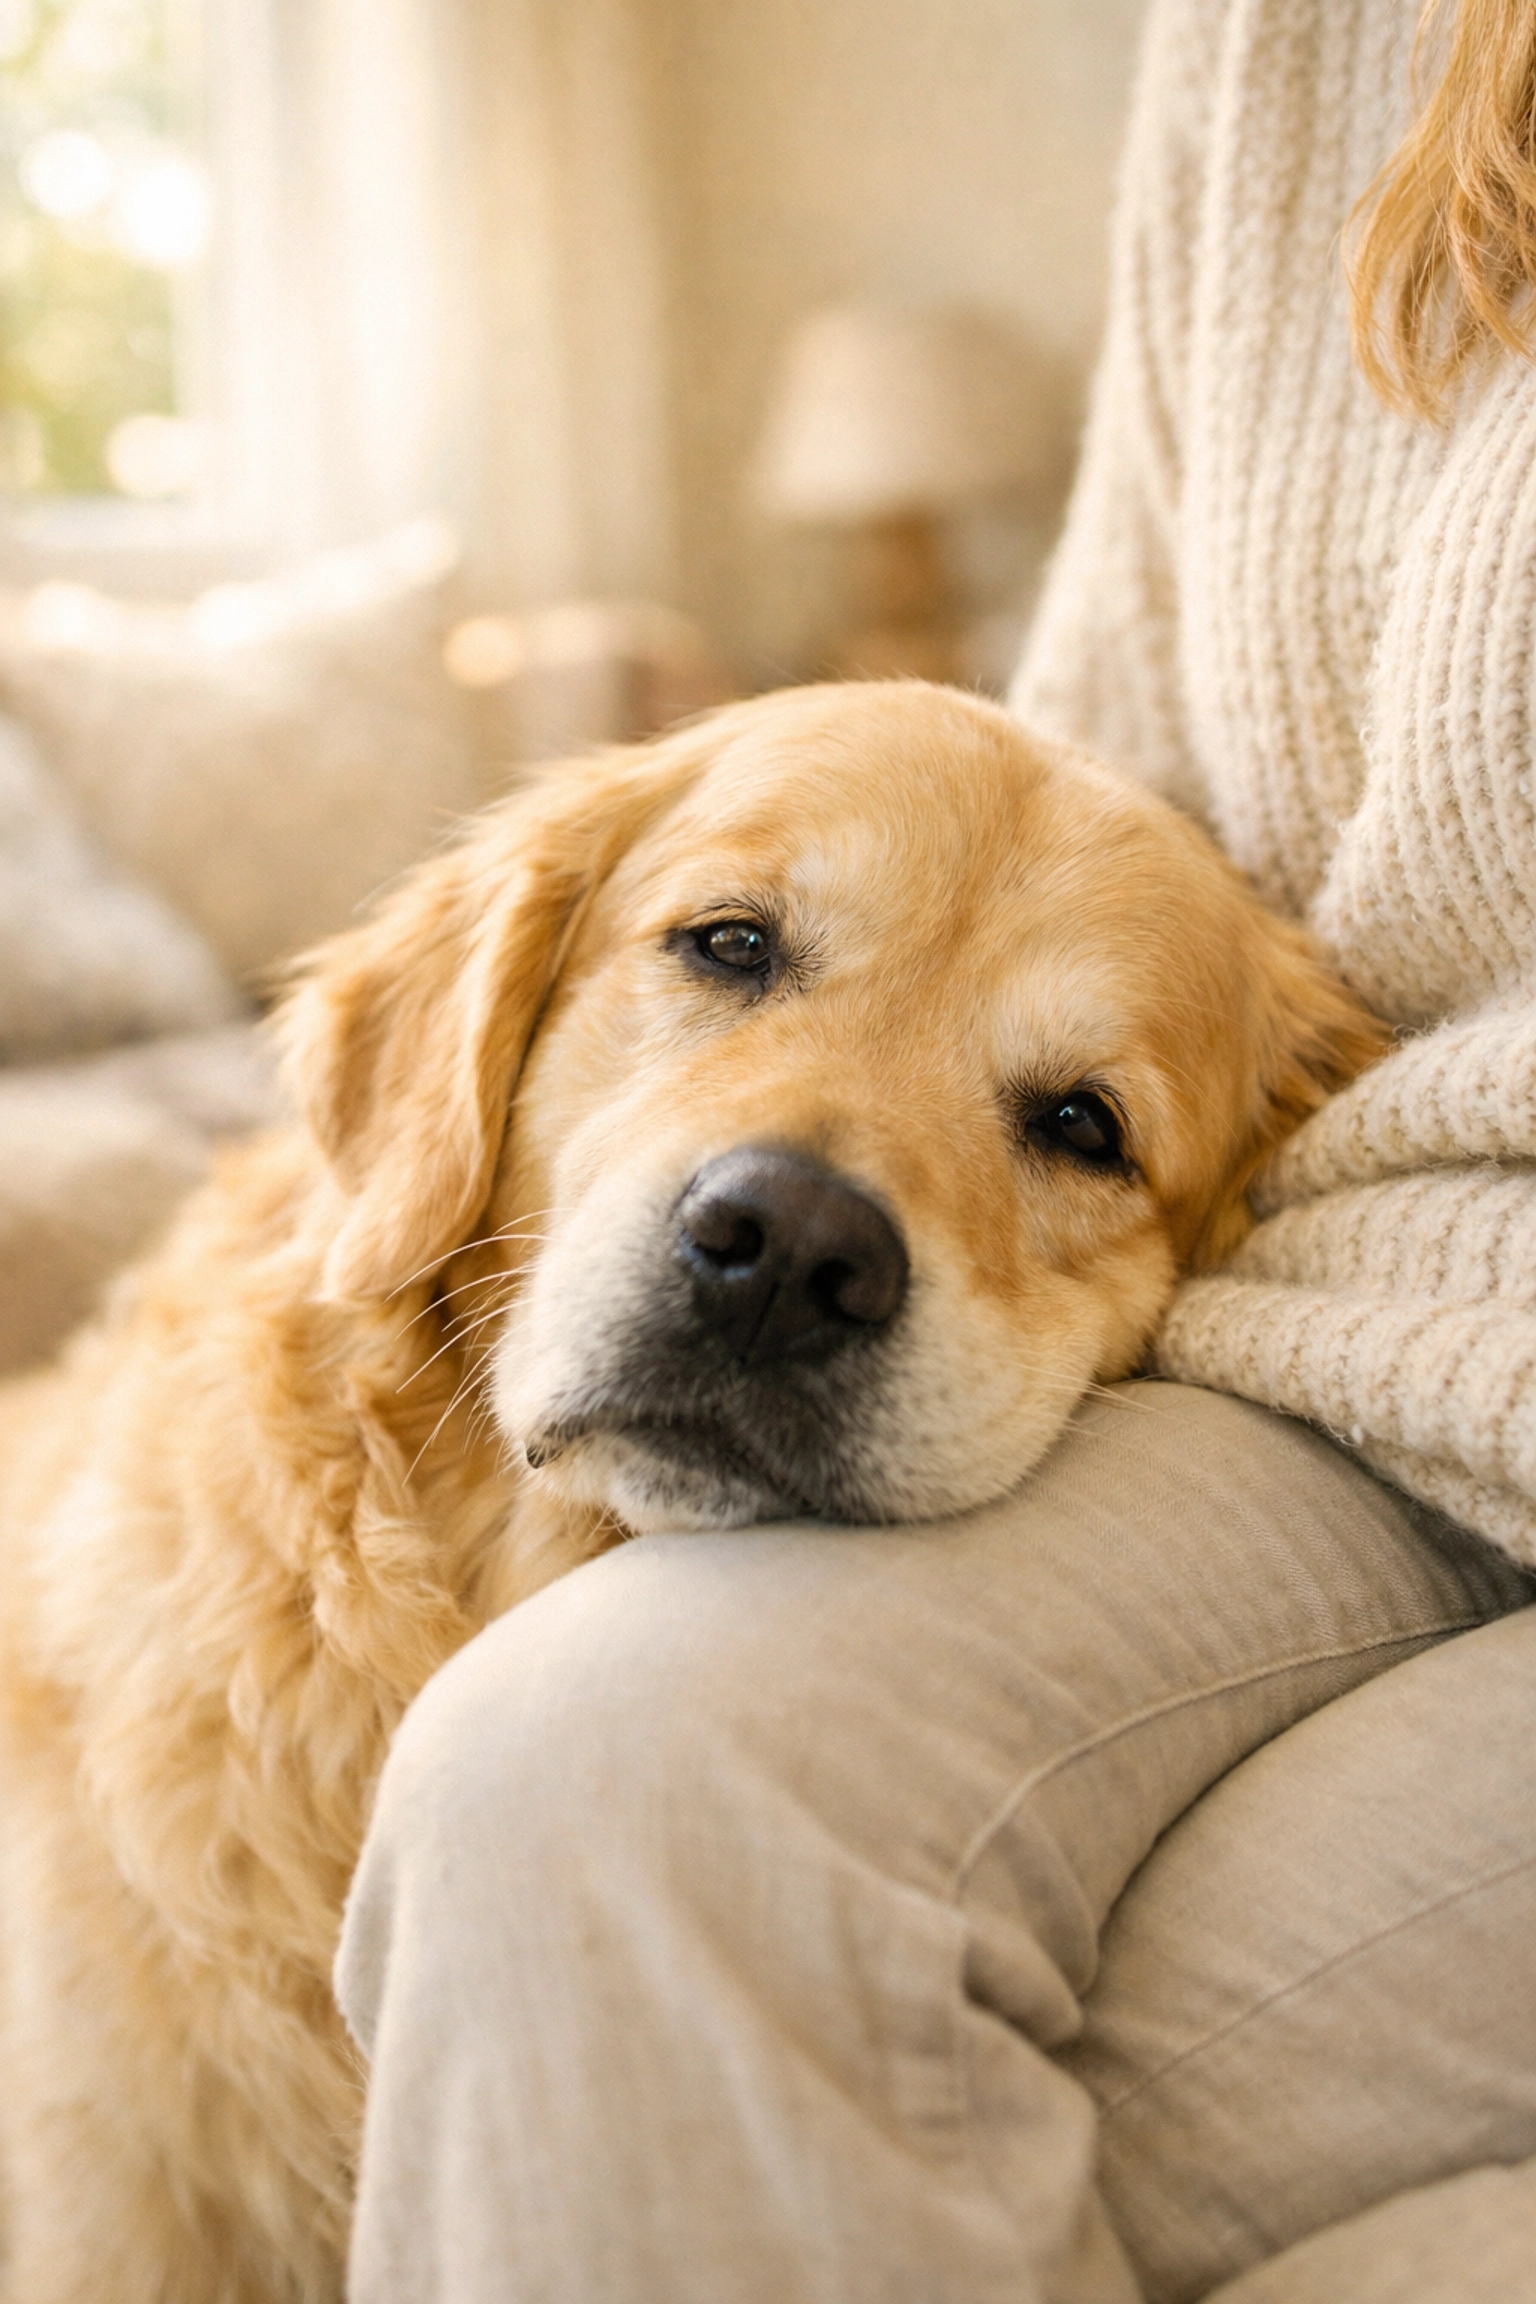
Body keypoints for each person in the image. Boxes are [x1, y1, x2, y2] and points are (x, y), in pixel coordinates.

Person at [335, 0, 1536, 2295]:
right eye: (732, 950)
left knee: (703, 2045)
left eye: (1066, 1122)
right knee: (594, 1806)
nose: (807, 1203)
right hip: (1350, 1335)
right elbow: (1102, 758)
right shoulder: (1284, 35)